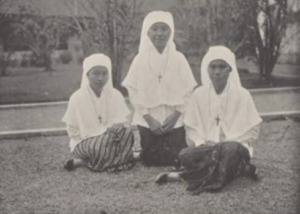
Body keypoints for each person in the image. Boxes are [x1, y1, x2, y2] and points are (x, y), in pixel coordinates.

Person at [155, 46, 262, 194]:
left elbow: (253, 129)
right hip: (207, 148)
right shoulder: (199, 94)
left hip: (234, 147)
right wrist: (201, 142)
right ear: (207, 69)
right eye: (212, 67)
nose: (217, 72)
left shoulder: (242, 94)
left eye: (222, 67)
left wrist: (228, 142)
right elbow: (191, 125)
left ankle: (182, 175)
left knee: (229, 151)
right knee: (185, 155)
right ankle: (240, 170)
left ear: (230, 69)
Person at [122, 11, 197, 166]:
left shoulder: (178, 58)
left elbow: (188, 89)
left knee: (176, 158)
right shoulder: (140, 59)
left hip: (173, 118)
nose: (160, 33)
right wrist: (149, 119)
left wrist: (176, 115)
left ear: (171, 31)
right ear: (147, 32)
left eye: (164, 29)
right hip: (148, 119)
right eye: (155, 29)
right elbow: (133, 91)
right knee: (151, 160)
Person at [62, 54, 135, 172]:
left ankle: (87, 162)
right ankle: (118, 161)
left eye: (104, 73)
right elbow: (72, 129)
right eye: (96, 73)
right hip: (85, 142)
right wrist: (96, 137)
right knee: (100, 145)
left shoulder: (115, 94)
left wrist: (117, 127)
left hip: (110, 140)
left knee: (127, 134)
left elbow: (124, 122)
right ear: (87, 75)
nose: (100, 78)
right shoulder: (77, 97)